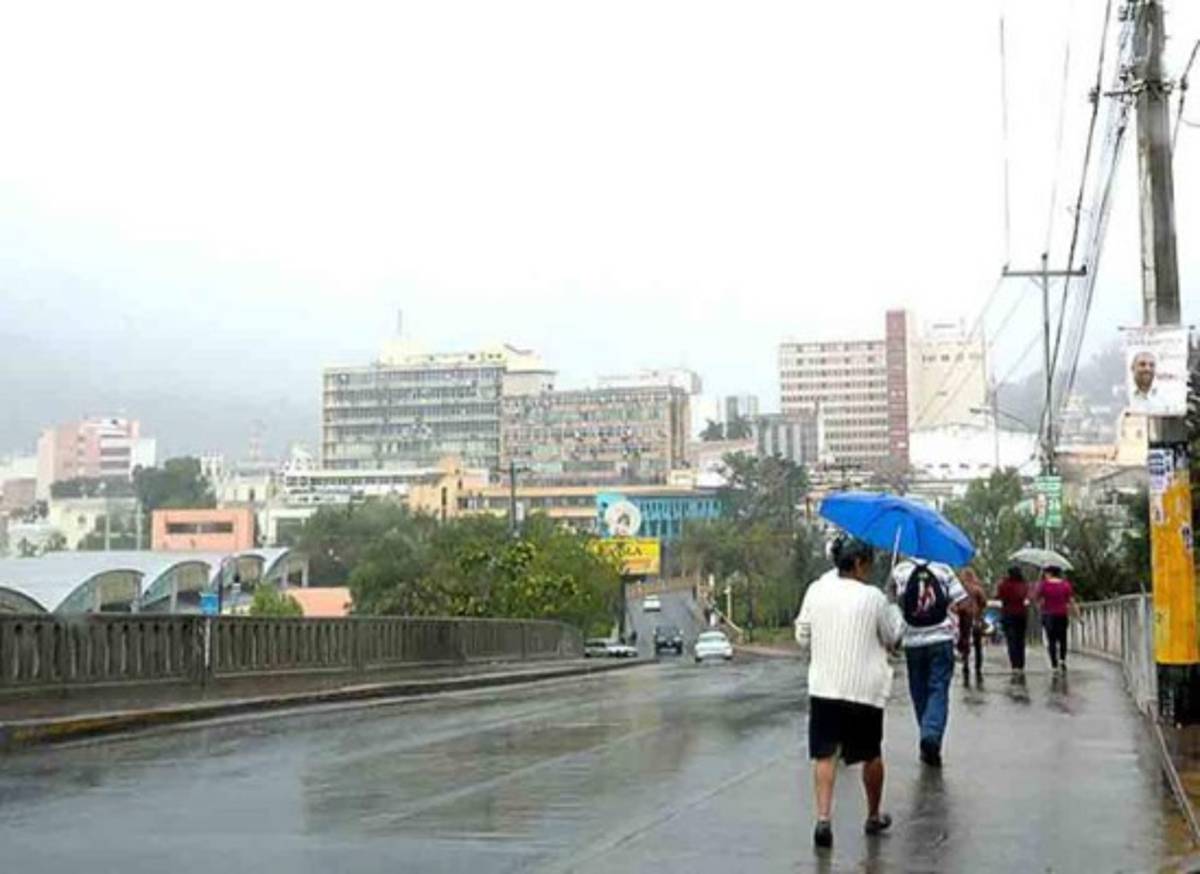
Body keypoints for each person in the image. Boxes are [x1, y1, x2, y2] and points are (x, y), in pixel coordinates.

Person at [795, 535, 905, 851]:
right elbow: (893, 636)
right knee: (870, 754)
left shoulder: (816, 590)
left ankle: (823, 818)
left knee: (825, 754)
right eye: (868, 564)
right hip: (864, 690)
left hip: (825, 686)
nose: (870, 570)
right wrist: (893, 605)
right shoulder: (874, 598)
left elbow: (803, 635)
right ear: (858, 563)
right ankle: (872, 815)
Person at [892, 557, 969, 767]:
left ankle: (927, 737)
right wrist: (964, 638)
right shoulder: (943, 568)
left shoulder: (900, 571)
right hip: (941, 639)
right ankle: (931, 736)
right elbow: (964, 604)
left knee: (919, 692)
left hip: (912, 643)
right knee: (938, 689)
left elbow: (894, 605)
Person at [1036, 565, 1075, 673]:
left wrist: (1041, 605)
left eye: (1046, 573)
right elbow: (1071, 601)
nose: (1045, 575)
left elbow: (1036, 598)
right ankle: (1062, 660)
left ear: (1050, 573)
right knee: (1063, 639)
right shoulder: (1066, 585)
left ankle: (1054, 664)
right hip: (1062, 615)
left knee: (1051, 640)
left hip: (1049, 615)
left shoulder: (1044, 585)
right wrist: (1078, 615)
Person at [996, 565, 1030, 677]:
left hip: (1008, 614)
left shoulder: (1004, 585)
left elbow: (999, 596)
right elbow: (1026, 596)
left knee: (1011, 640)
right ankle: (1021, 664)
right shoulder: (1023, 585)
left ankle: (1014, 665)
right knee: (1020, 639)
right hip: (1021, 614)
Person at [956, 568, 988, 687]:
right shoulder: (977, 588)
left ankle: (965, 665)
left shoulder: (960, 588)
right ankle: (978, 667)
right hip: (976, 618)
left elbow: (955, 603)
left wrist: (959, 609)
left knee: (965, 641)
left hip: (964, 617)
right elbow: (984, 602)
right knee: (978, 644)